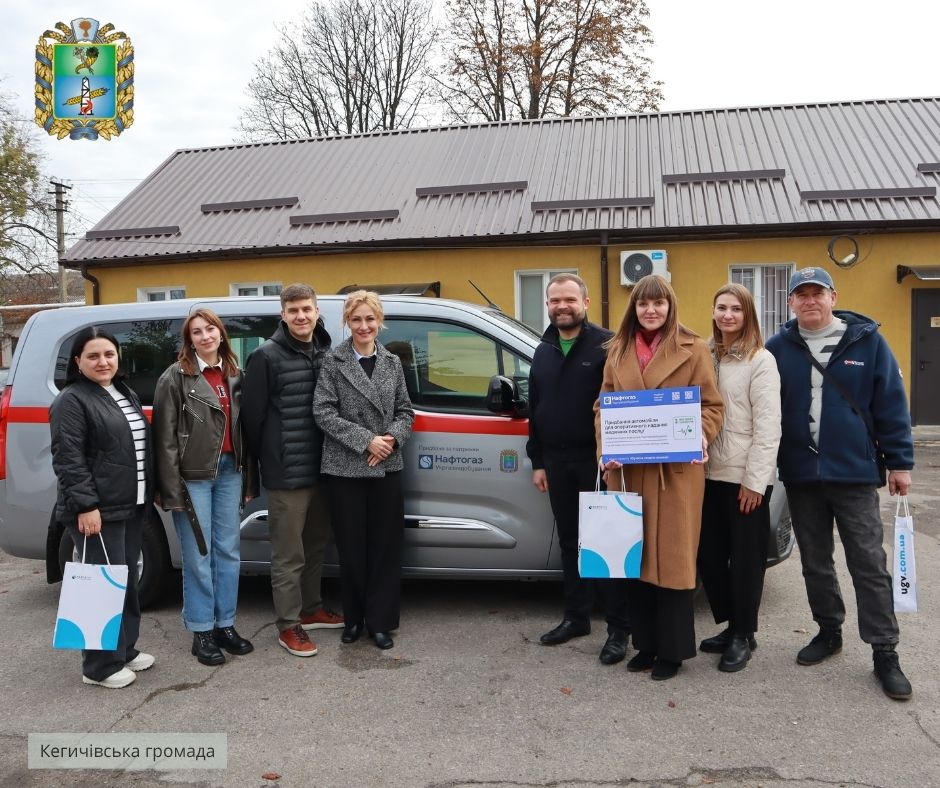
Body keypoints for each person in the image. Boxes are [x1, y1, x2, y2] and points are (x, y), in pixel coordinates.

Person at [765, 266, 914, 700]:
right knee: (815, 560)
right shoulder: (777, 347)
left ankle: (885, 651)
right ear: (791, 301)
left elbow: (891, 405)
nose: (809, 300)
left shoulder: (866, 342)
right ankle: (829, 630)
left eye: (818, 293)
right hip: (801, 475)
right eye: (801, 294)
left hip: (853, 474)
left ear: (833, 296)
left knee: (868, 563)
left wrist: (900, 463)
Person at [597, 275, 723, 680]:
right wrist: (606, 447)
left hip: (676, 475)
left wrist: (700, 434)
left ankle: (672, 650)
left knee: (672, 562)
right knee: (636, 559)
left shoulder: (694, 348)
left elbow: (712, 406)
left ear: (671, 307)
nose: (651, 311)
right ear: (633, 308)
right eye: (643, 304)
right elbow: (603, 406)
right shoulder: (616, 351)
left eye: (659, 303)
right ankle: (646, 644)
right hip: (629, 474)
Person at [526, 273, 631, 664]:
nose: (561, 306)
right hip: (556, 460)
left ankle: (620, 628)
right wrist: (537, 460)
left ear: (585, 302)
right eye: (554, 301)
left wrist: (616, 455)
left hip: (598, 461)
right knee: (571, 541)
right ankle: (577, 616)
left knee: (607, 544)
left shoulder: (607, 345)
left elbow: (623, 401)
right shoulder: (544, 348)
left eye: (569, 299)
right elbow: (534, 408)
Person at [242, 284, 344, 657]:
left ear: (317, 312)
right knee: (288, 555)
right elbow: (252, 420)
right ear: (282, 315)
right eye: (294, 310)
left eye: (307, 309)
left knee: (316, 545)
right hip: (287, 473)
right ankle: (288, 626)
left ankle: (311, 607)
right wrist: (265, 463)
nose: (301, 316)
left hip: (324, 468)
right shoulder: (265, 357)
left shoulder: (325, 352)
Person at [49, 327, 155, 688]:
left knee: (123, 582)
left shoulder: (121, 391)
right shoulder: (71, 400)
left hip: (130, 503)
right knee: (98, 586)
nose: (103, 361)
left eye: (108, 354)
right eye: (93, 356)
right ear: (77, 361)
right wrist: (86, 506)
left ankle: (123, 649)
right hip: (97, 511)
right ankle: (97, 668)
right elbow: (68, 459)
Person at [152, 308, 259, 666]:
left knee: (228, 552)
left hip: (230, 472)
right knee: (199, 555)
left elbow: (247, 432)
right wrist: (171, 491)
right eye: (196, 332)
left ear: (220, 334)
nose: (205, 336)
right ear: (190, 339)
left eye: (210, 329)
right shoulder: (175, 377)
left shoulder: (235, 374)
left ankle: (225, 624)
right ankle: (201, 631)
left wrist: (248, 478)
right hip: (192, 477)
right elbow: (164, 439)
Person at [314, 290, 415, 650]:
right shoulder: (333, 361)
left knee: (385, 548)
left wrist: (389, 440)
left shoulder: (392, 362)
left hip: (386, 466)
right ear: (347, 322)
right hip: (346, 469)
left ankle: (381, 621)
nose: (363, 326)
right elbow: (323, 412)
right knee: (352, 548)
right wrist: (366, 441)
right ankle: (354, 619)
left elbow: (406, 411)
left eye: (369, 319)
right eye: (356, 319)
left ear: (379, 321)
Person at [697, 283, 781, 672]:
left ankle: (744, 634)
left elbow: (769, 427)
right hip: (705, 474)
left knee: (746, 561)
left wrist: (755, 481)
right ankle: (731, 625)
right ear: (713, 312)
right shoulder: (706, 355)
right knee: (711, 557)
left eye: (736, 309)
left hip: (743, 477)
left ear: (747, 315)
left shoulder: (760, 360)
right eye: (721, 308)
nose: (728, 315)